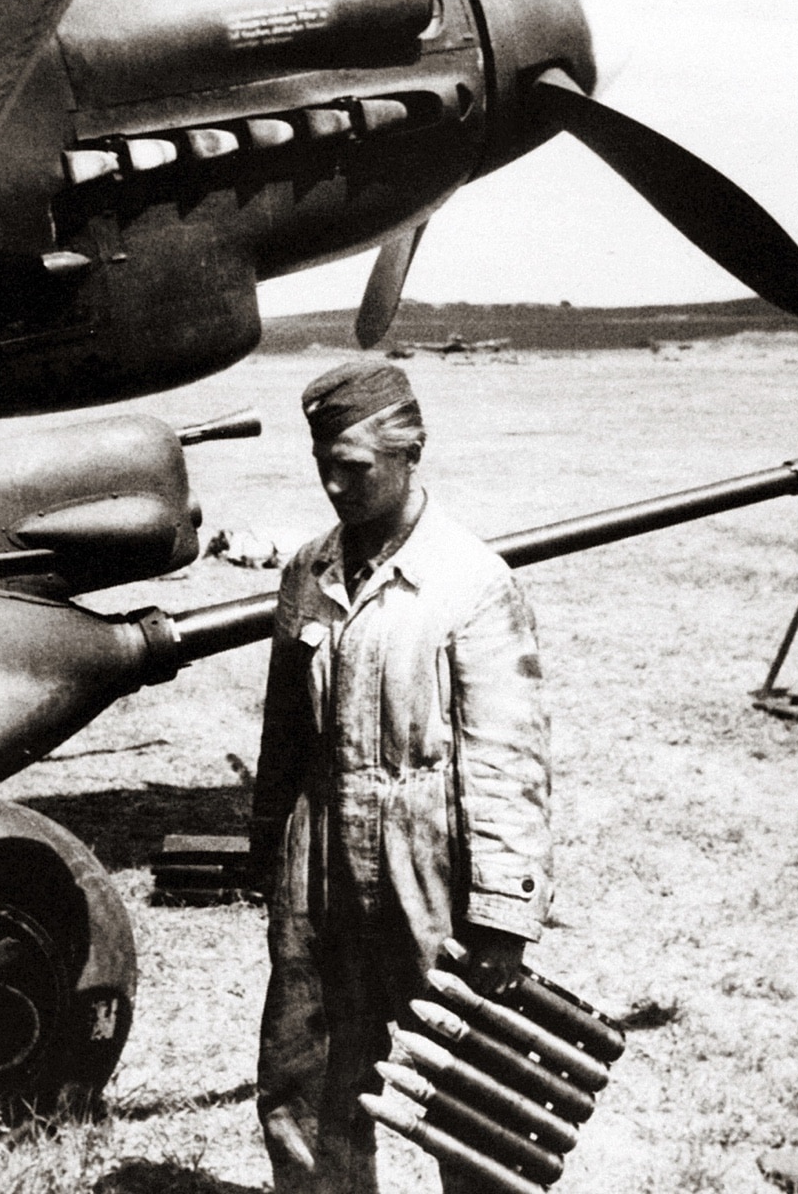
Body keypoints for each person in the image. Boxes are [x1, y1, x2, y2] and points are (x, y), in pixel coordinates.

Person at [250, 358, 552, 1193]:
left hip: (431, 871)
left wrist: (500, 915)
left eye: (355, 470)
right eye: (324, 469)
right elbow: (285, 731)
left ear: (412, 453)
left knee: (466, 1090)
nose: (336, 489)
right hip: (319, 873)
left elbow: (508, 759)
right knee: (306, 1080)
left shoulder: (471, 581)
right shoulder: (307, 572)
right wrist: (266, 841)